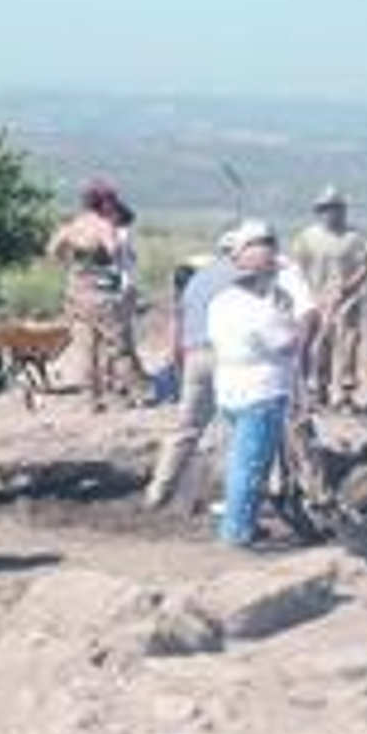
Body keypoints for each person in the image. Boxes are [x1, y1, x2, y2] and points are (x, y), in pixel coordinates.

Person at [206, 219, 305, 548]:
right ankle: (236, 533)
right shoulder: (261, 309)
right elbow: (286, 344)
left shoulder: (221, 301)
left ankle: (238, 524)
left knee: (240, 462)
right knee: (250, 467)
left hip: (230, 388)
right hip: (261, 391)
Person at [143, 227, 241, 510]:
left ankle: (158, 493)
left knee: (185, 428)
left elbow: (179, 321)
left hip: (195, 357)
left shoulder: (197, 280)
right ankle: (229, 498)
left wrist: (177, 359)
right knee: (231, 429)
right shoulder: (241, 280)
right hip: (226, 356)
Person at [46, 179, 148, 410]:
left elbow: (51, 251)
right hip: (102, 294)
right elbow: (115, 254)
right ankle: (135, 393)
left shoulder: (72, 226)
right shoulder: (104, 226)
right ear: (104, 202)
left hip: (75, 292)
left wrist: (74, 262)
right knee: (118, 345)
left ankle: (90, 399)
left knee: (86, 348)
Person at [289, 186, 367, 411]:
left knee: (348, 345)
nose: (332, 212)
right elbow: (297, 267)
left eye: (336, 208)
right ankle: (320, 391)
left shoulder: (355, 237)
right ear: (319, 211)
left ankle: (346, 393)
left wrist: (350, 287)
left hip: (349, 299)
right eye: (326, 208)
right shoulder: (307, 237)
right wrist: (306, 295)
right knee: (320, 345)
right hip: (317, 298)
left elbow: (365, 266)